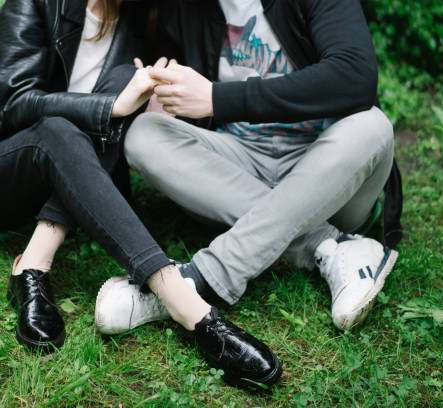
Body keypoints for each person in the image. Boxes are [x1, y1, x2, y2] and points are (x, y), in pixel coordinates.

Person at [0, 0, 281, 388]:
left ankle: (32, 263)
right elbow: (12, 104)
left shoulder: (142, 16)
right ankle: (189, 308)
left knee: (127, 75)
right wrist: (111, 107)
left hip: (76, 179)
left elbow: (182, 100)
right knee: (62, 128)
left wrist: (161, 97)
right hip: (13, 170)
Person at [95, 0, 403, 332]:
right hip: (240, 166)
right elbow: (165, 76)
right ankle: (331, 245)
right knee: (144, 135)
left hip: (325, 170)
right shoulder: (186, 8)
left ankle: (195, 282)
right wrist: (162, 98)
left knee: (373, 126)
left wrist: (218, 98)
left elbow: (355, 75)